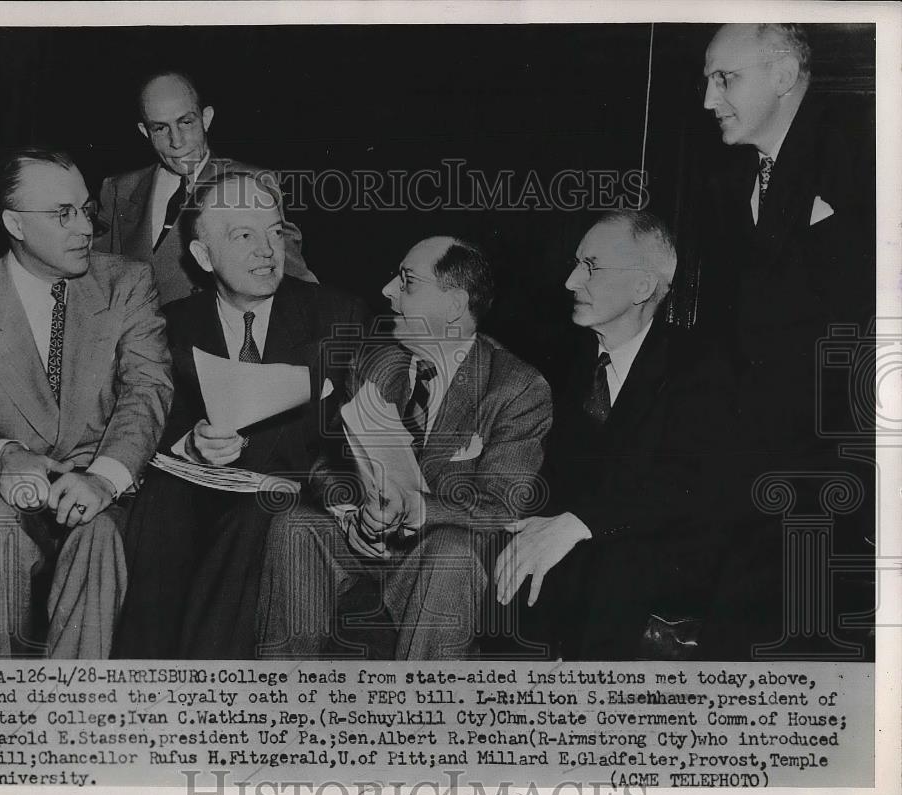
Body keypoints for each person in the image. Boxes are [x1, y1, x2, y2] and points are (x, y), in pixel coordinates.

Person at [257, 236, 553, 660]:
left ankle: (421, 717)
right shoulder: (373, 363)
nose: (387, 291)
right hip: (365, 545)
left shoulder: (515, 387)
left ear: (453, 306)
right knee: (294, 526)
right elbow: (328, 464)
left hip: (435, 558)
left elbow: (504, 506)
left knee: (454, 552)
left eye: (407, 281)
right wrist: (352, 513)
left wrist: (418, 509)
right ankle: (281, 704)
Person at [113, 170, 367, 659]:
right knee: (160, 506)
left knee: (258, 516)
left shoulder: (337, 317)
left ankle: (214, 696)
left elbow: (353, 437)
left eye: (274, 232)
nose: (267, 251)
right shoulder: (174, 325)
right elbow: (150, 417)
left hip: (285, 501)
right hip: (191, 498)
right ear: (203, 256)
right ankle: (144, 691)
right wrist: (192, 442)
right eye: (244, 235)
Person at [0, 148, 172, 658]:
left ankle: (71, 713)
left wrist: (106, 476)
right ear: (14, 223)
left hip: (101, 488)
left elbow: (147, 390)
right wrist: (5, 456)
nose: (85, 227)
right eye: (62, 214)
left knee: (99, 537)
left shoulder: (127, 282)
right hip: (4, 494)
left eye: (86, 209)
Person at [697, 24, 875, 656]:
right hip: (761, 460)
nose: (709, 99)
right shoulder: (733, 183)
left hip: (841, 464)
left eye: (726, 78)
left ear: (782, 75)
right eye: (707, 79)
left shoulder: (869, 143)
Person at [495, 211, 735, 659]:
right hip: (571, 569)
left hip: (651, 567)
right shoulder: (560, 361)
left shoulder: (699, 367)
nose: (570, 281)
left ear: (643, 287)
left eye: (591, 266)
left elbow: (687, 485)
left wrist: (579, 522)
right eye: (575, 263)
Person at [94, 70, 316, 305]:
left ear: (206, 118)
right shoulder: (119, 189)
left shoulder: (252, 183)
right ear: (144, 131)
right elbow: (98, 281)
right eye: (160, 128)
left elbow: (297, 282)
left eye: (186, 122)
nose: (177, 142)